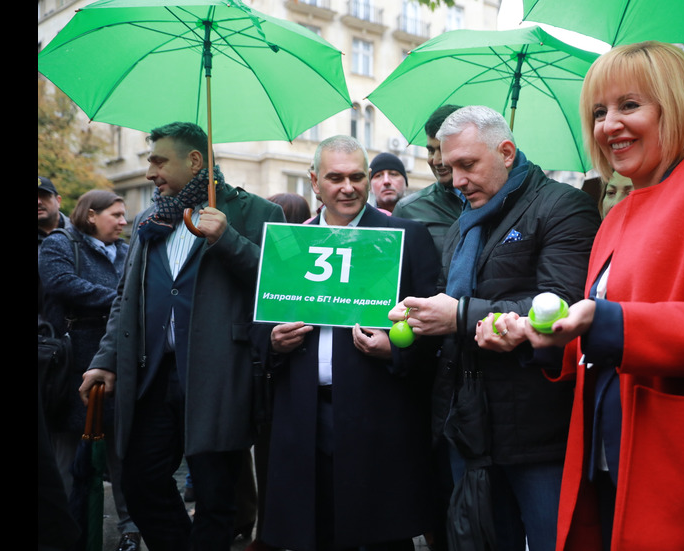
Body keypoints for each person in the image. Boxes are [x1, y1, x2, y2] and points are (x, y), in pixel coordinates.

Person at [480, 42, 684, 549]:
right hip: (607, 463)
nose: (609, 125)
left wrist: (607, 323)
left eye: (629, 105)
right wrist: (543, 339)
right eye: (599, 112)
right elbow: (598, 336)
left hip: (683, 474)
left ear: (676, 103)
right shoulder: (617, 213)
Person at [389, 105, 600, 551]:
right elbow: (452, 298)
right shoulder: (469, 217)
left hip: (540, 431)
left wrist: (459, 315)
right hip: (470, 426)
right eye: (449, 167)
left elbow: (560, 302)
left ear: (506, 151)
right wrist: (415, 322)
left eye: (468, 165)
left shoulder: (563, 205)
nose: (457, 180)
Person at [79, 122, 285, 551]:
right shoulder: (151, 218)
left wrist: (225, 237)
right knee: (140, 483)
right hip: (152, 375)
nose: (150, 170)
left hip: (217, 377)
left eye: (158, 160)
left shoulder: (257, 212)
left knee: (215, 498)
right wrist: (105, 359)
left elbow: (277, 284)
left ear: (194, 161)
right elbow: (125, 298)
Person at [256, 135, 439, 551]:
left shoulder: (407, 236)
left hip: (379, 418)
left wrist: (397, 350)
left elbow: (434, 332)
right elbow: (255, 329)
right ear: (314, 182)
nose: (348, 187)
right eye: (335, 178)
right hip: (303, 420)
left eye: (357, 176)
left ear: (369, 178)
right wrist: (273, 341)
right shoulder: (288, 243)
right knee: (312, 533)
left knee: (382, 538)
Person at [39, 190, 140, 551]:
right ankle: (66, 532)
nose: (123, 221)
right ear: (91, 215)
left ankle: (130, 529)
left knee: (121, 452)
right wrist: (120, 299)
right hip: (70, 366)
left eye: (124, 215)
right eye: (115, 214)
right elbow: (61, 282)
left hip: (116, 361)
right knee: (67, 457)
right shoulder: (60, 244)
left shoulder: (128, 251)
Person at [393, 104, 465, 255]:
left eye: (444, 150)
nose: (436, 160)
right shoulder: (408, 210)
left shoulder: (498, 200)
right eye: (431, 150)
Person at [39, 176, 72, 314]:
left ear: (58, 201)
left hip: (78, 329)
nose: (38, 202)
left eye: (44, 196)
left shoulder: (82, 234)